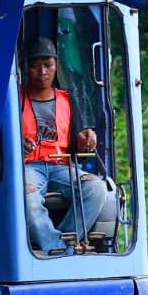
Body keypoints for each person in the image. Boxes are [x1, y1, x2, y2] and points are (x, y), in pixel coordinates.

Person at [21, 36, 106, 257]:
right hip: (28, 166)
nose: (42, 72)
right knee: (27, 198)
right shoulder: (14, 98)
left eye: (47, 65)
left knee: (96, 188)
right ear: (25, 68)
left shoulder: (68, 99)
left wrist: (87, 137)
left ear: (56, 66)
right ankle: (55, 247)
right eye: (35, 66)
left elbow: (78, 139)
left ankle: (63, 243)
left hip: (60, 165)